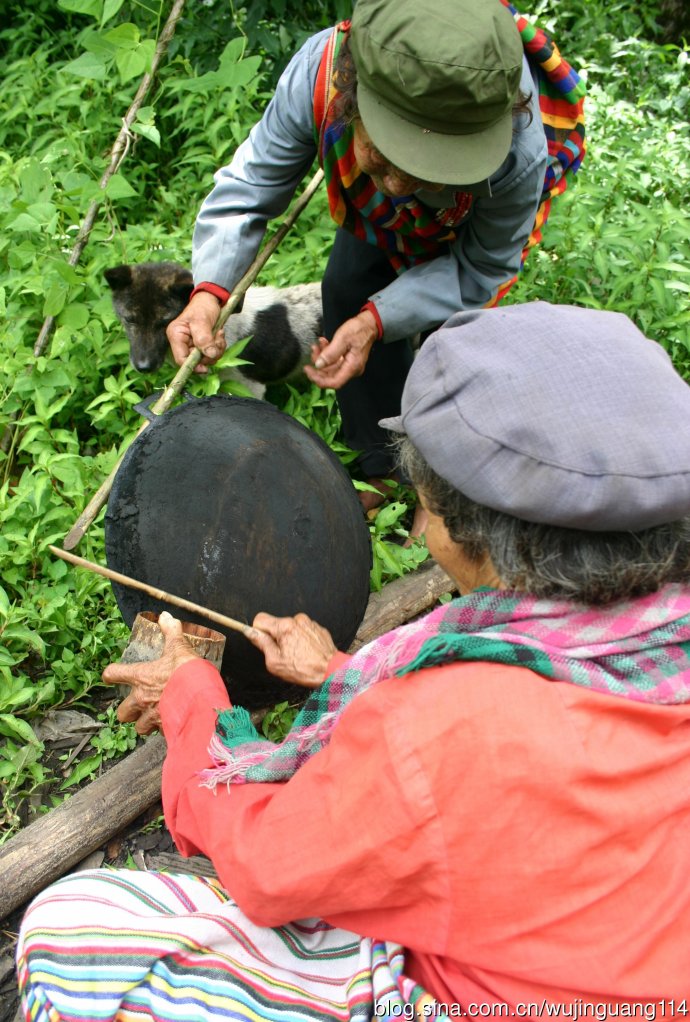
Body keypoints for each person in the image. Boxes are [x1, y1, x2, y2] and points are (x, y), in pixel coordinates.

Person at [17, 301, 690, 1016]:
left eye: (426, 507)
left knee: (76, 922)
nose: (421, 524)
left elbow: (268, 867)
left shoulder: (442, 725)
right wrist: (345, 676)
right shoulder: (654, 646)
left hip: (516, 1001)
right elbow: (531, 778)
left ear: (481, 537)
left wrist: (192, 699)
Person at [166, 0, 585, 509]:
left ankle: (442, 494)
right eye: (383, 158)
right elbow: (252, 185)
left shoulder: (515, 155)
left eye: (427, 170)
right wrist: (209, 294)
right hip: (376, 224)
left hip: (465, 222)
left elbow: (481, 266)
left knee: (451, 344)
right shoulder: (321, 76)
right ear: (352, 103)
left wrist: (381, 320)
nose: (399, 186)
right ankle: (383, 468)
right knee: (346, 290)